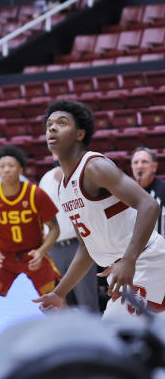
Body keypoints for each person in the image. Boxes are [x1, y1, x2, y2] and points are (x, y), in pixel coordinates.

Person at [34, 100, 165, 320]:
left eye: (62, 123)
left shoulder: (94, 167)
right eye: (49, 125)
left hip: (146, 262)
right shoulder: (64, 188)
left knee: (115, 343)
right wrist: (59, 293)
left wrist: (128, 260)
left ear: (79, 134)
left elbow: (149, 205)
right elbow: (86, 249)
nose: (52, 128)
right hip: (128, 270)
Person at [0, 144, 61, 379]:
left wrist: (42, 251)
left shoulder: (35, 193)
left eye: (11, 165)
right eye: (2, 166)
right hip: (5, 258)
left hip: (33, 256)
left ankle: (68, 362)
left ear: (20, 168)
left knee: (61, 308)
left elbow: (54, 228)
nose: (6, 169)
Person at [38, 162, 99, 311]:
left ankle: (94, 334)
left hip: (79, 245)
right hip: (54, 249)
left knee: (87, 303)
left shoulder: (84, 173)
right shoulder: (45, 179)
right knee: (62, 305)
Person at [130, 147, 165, 235]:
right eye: (136, 162)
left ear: (154, 167)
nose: (139, 166)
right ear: (132, 167)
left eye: (144, 162)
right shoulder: (126, 192)